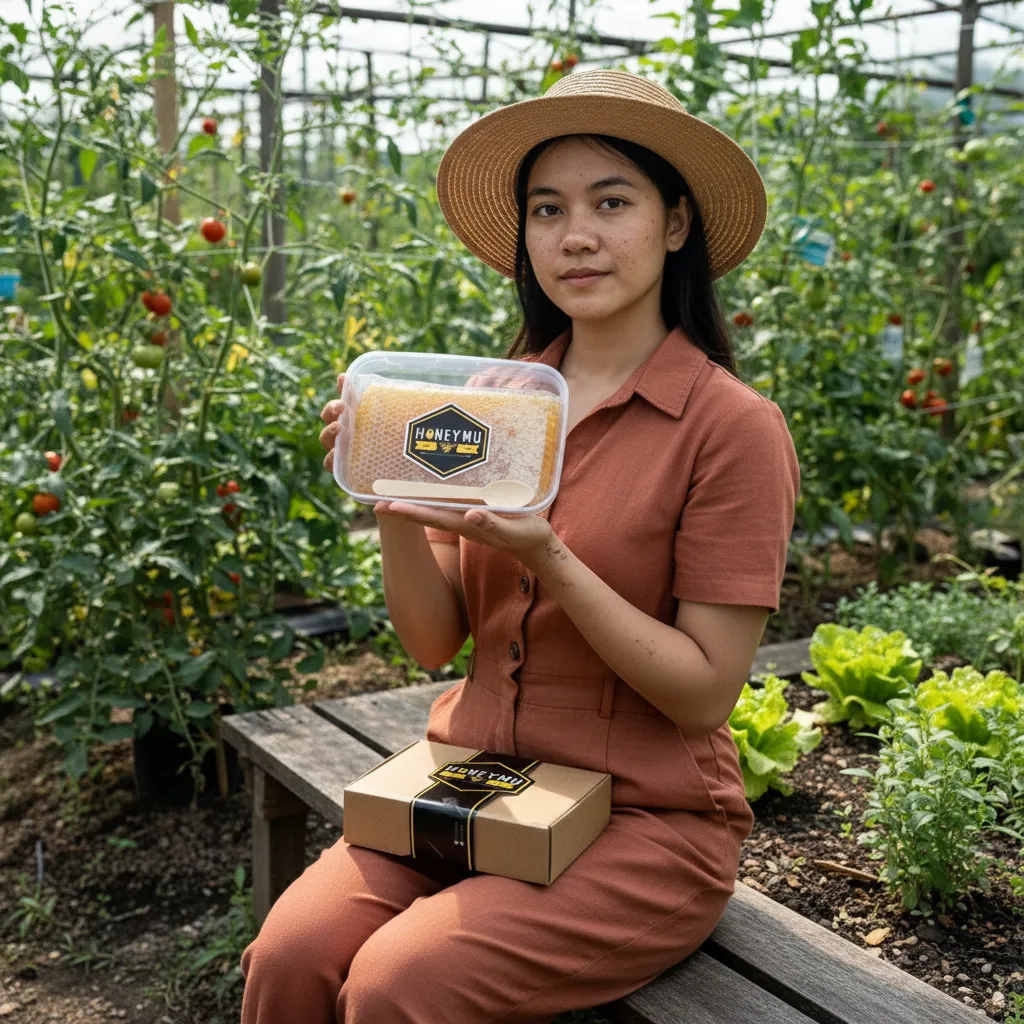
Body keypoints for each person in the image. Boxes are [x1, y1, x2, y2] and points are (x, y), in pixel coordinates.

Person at [240, 67, 800, 1024]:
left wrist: (552, 560)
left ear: (675, 224)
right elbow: (432, 643)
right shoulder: (500, 402)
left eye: (610, 202)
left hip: (645, 821)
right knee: (287, 959)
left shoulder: (729, 427)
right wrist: (392, 496)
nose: (574, 235)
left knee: (397, 984)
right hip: (480, 781)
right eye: (547, 209)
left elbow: (707, 689)